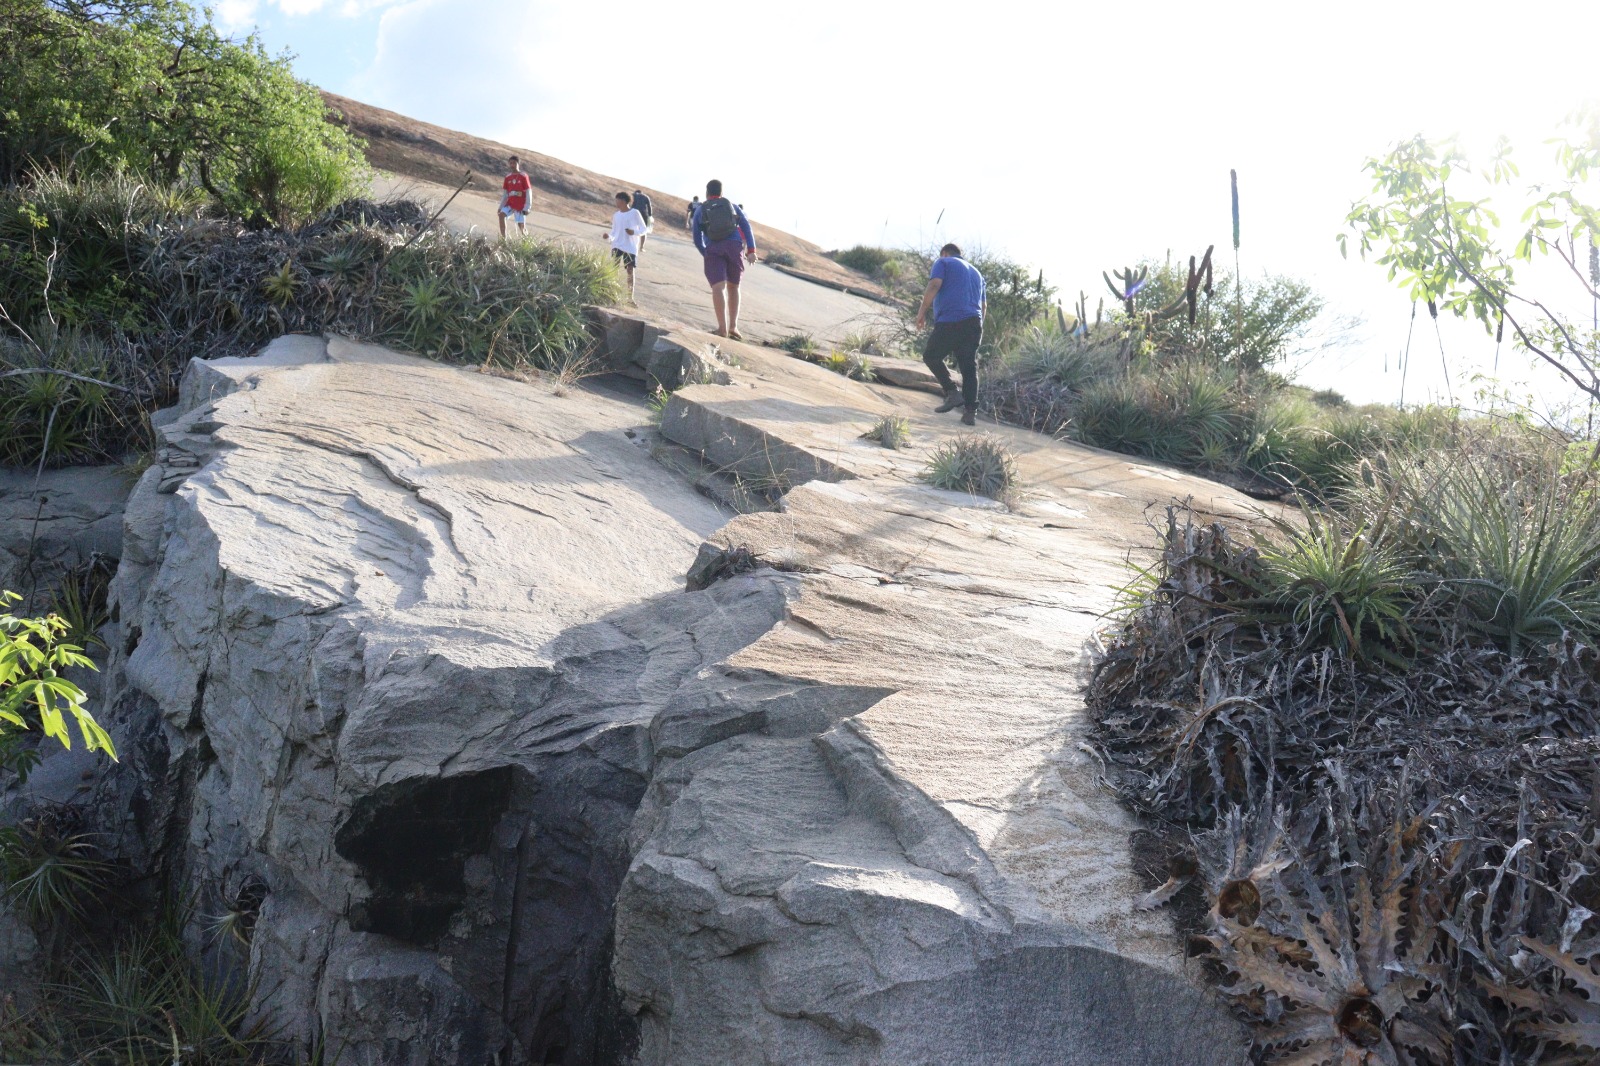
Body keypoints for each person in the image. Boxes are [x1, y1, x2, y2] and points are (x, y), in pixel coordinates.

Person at [914, 243, 986, 426]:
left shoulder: (944, 262)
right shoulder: (978, 274)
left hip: (951, 320)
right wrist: (979, 327)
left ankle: (952, 392)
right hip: (973, 322)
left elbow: (934, 284)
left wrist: (922, 312)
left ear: (945, 253)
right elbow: (984, 306)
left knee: (931, 356)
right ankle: (970, 413)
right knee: (969, 368)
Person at [690, 179, 757, 339]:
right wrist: (751, 250)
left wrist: (704, 252)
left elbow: (696, 235)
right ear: (721, 193)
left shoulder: (701, 209)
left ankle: (722, 328)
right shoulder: (731, 205)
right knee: (734, 286)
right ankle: (734, 327)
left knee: (718, 287)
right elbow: (746, 225)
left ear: (707, 193)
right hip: (734, 246)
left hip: (713, 248)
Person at [602, 191, 648, 302]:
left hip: (630, 247)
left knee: (630, 270)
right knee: (614, 269)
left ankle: (629, 298)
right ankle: (611, 294)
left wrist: (634, 232)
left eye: (617, 200)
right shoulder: (616, 215)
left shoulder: (635, 213)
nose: (616, 202)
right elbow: (614, 232)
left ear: (623, 201)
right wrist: (608, 236)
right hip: (617, 245)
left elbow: (644, 229)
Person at [498, 155, 531, 239]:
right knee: (501, 215)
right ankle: (503, 239)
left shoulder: (523, 176)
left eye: (514, 163)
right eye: (510, 163)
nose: (512, 165)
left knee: (521, 226)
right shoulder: (508, 177)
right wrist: (501, 206)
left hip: (520, 205)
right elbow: (505, 194)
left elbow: (528, 191)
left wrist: (527, 207)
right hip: (510, 204)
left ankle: (527, 241)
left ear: (518, 164)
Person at [632, 189, 653, 255]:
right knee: (644, 230)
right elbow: (649, 207)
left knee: (632, 228)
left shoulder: (635, 195)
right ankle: (641, 247)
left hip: (635, 213)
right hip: (644, 214)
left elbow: (633, 205)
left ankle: (632, 244)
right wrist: (650, 215)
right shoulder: (646, 197)